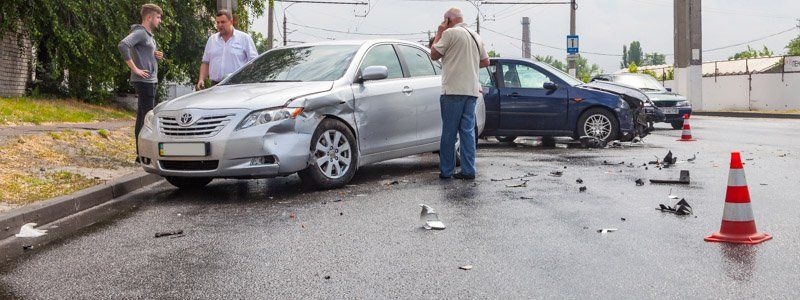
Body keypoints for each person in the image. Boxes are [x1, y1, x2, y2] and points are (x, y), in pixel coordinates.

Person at [430, 7, 490, 180]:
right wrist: (468, 64)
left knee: (449, 132)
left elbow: (434, 54)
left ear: (449, 20)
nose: (443, 23)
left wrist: (440, 32)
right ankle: (468, 170)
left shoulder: (450, 33)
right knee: (467, 132)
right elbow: (486, 61)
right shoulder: (475, 36)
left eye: (444, 20)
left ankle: (447, 171)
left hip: (453, 90)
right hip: (471, 90)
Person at [118, 3, 164, 161]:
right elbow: (123, 45)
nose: (160, 21)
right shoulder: (141, 33)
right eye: (158, 17)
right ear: (149, 17)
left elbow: (143, 53)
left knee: (142, 117)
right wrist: (135, 69)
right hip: (145, 81)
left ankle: (141, 154)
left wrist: (155, 55)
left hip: (149, 80)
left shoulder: (148, 35)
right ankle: (144, 155)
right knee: (148, 118)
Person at [196, 9, 259, 90]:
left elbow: (254, 62)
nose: (220, 25)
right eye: (217, 22)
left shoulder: (244, 38)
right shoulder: (212, 40)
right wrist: (201, 79)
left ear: (231, 22)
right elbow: (205, 62)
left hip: (238, 86)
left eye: (223, 22)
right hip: (215, 86)